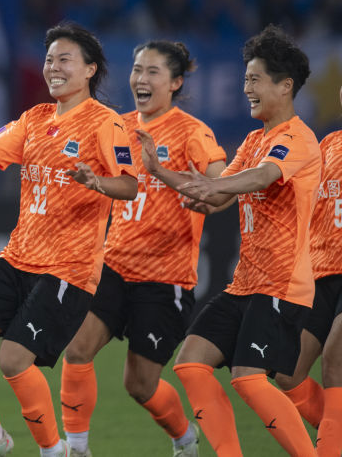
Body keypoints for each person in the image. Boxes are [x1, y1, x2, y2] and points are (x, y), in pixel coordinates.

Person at [0, 22, 137, 457]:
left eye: (65, 59)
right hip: (18, 257)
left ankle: (54, 450)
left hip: (68, 268)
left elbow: (129, 185)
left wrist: (98, 182)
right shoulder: (35, 118)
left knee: (13, 359)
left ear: (90, 69)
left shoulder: (105, 123)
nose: (53, 67)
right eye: (49, 59)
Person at [59, 40, 226, 457]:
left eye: (153, 71)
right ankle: (76, 449)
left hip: (165, 278)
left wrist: (167, 175)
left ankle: (183, 436)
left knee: (139, 384)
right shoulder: (117, 126)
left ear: (175, 82)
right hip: (113, 265)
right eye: (137, 69)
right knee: (77, 349)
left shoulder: (192, 132)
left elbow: (223, 187)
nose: (141, 79)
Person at [171, 24, 320, 457]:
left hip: (281, 285)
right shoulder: (255, 140)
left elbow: (261, 177)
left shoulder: (297, 138)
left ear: (285, 86)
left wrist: (213, 187)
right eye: (245, 79)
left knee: (248, 378)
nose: (246, 89)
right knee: (191, 363)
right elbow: (221, 195)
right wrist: (171, 179)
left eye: (255, 79)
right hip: (245, 284)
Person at [272, 59, 342, 456]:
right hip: (321, 273)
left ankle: (328, 449)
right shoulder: (329, 145)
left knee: (336, 369)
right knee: (285, 373)